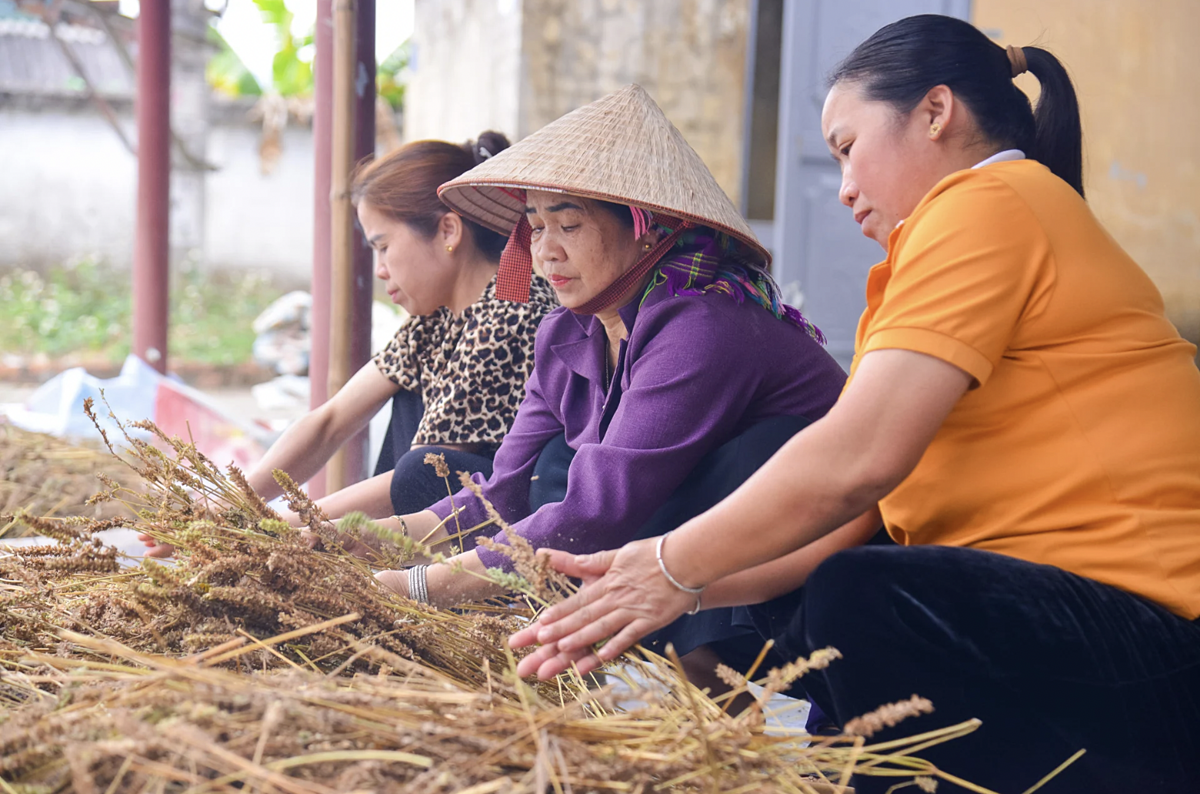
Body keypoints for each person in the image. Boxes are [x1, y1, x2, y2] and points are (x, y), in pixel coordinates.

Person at [511, 15, 1200, 794]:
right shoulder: (953, 239)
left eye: (847, 147)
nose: (841, 187)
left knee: (862, 596)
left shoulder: (988, 205)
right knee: (824, 584)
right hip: (1075, 630)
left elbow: (858, 461)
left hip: (1152, 638)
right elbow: (841, 523)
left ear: (936, 113)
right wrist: (672, 590)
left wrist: (670, 563)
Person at [349, 85, 865, 690]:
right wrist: (353, 541)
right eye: (536, 227)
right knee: (541, 476)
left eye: (568, 223)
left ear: (644, 230)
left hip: (804, 579)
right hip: (692, 571)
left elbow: (596, 512)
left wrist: (417, 585)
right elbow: (500, 497)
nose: (546, 252)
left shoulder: (702, 325)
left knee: (666, 478)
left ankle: (714, 709)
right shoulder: (565, 335)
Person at [140, 132, 557, 558]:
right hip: (430, 524)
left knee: (424, 467)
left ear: (448, 230)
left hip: (504, 537)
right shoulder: (434, 318)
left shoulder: (511, 311)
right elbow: (330, 421)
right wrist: (230, 504)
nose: (379, 270)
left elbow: (428, 477)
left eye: (383, 247)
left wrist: (278, 525)